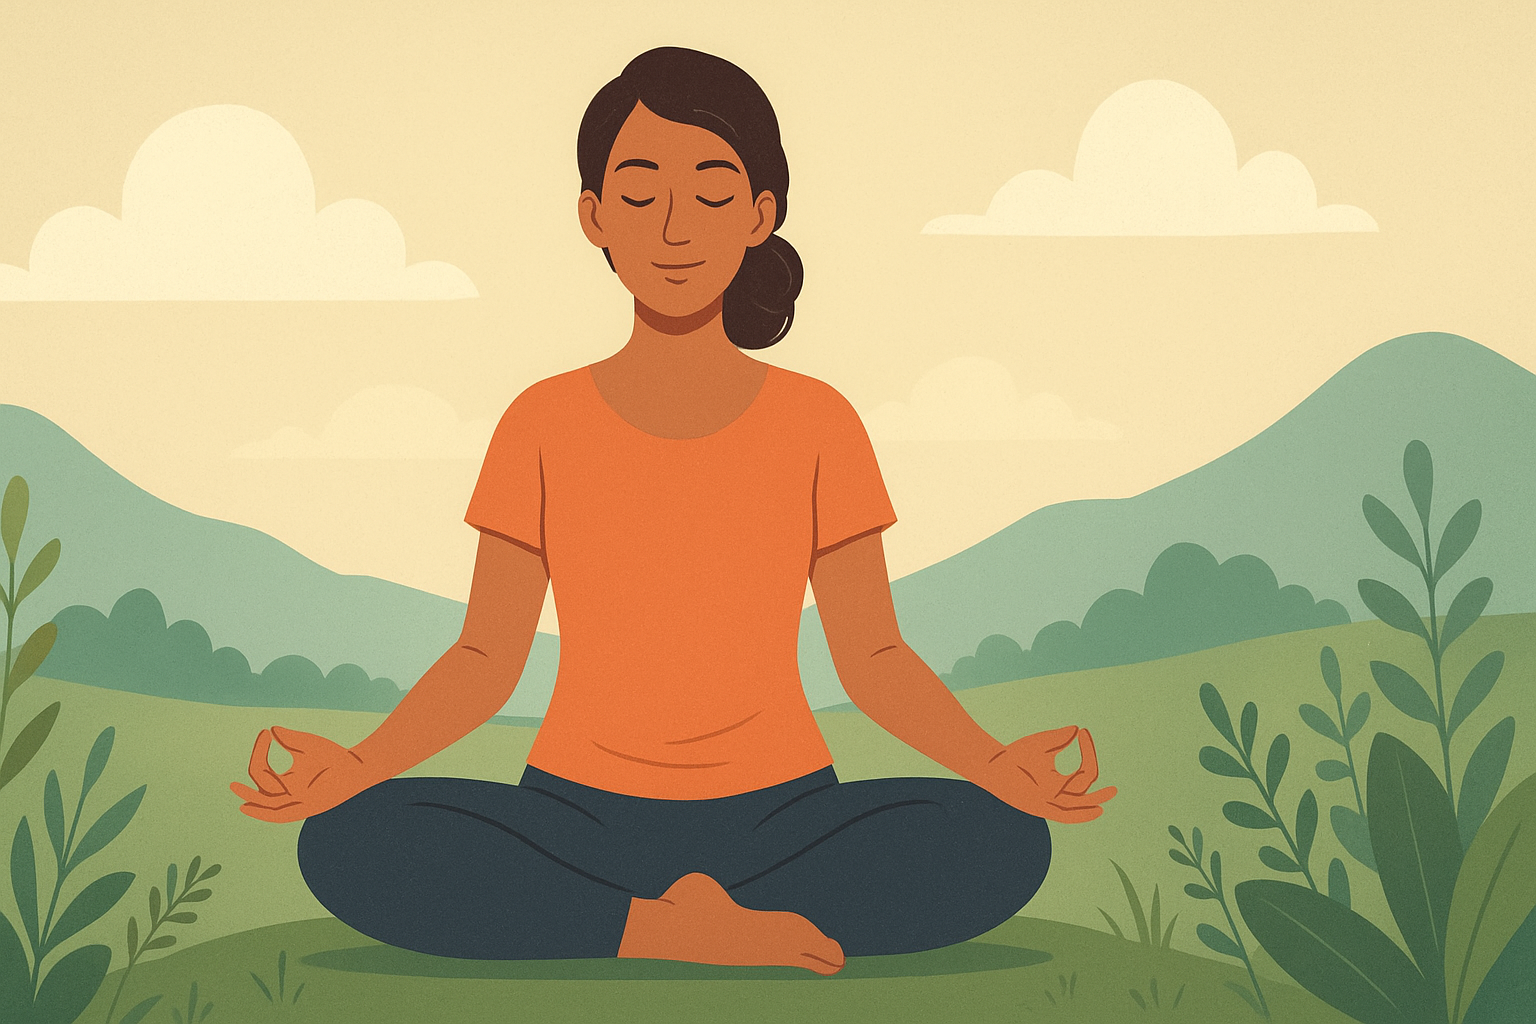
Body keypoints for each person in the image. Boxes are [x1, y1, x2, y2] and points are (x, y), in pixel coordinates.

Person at [230, 46, 1116, 976]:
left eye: (712, 192)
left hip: (783, 815)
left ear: (761, 214)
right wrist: (357, 766)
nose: (674, 227)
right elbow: (486, 657)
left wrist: (995, 764)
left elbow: (874, 656)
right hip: (576, 815)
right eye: (640, 190)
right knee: (348, 838)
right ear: (594, 215)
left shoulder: (819, 421)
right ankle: (668, 928)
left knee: (1003, 837)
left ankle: (621, 922)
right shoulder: (541, 422)